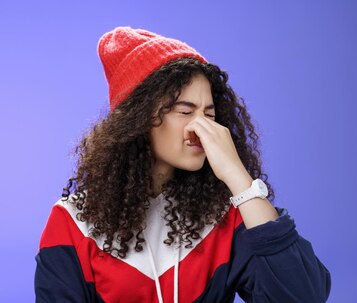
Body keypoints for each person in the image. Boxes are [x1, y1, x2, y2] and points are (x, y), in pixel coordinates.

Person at [34, 26, 331, 303]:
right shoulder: (72, 222)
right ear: (137, 121)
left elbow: (303, 295)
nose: (200, 128)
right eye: (185, 111)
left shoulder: (227, 216)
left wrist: (238, 177)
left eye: (209, 115)